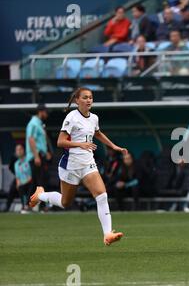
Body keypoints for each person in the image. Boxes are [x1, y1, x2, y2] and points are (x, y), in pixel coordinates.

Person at [28, 87, 127, 246]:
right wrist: (80, 144)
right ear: (77, 100)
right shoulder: (71, 117)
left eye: (91, 97)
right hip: (70, 166)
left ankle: (107, 234)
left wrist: (113, 146)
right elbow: (60, 142)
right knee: (65, 203)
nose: (89, 100)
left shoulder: (94, 118)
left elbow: (98, 133)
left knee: (102, 196)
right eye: (85, 97)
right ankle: (40, 195)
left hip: (88, 165)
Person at [26, 103, 51, 203]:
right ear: (41, 112)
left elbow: (39, 141)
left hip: (40, 155)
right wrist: (36, 156)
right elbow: (31, 139)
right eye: (45, 112)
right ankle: (33, 204)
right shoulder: (33, 123)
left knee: (39, 181)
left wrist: (46, 152)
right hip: (36, 156)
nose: (47, 114)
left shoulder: (39, 123)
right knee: (39, 181)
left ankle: (29, 204)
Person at [13, 144, 33, 214]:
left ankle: (27, 205)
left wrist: (22, 183)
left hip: (30, 182)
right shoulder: (16, 164)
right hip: (22, 183)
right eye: (17, 150)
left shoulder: (28, 160)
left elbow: (31, 177)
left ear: (23, 150)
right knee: (18, 187)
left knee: (30, 185)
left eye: (20, 149)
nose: (19, 151)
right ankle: (24, 205)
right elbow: (17, 177)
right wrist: (18, 184)